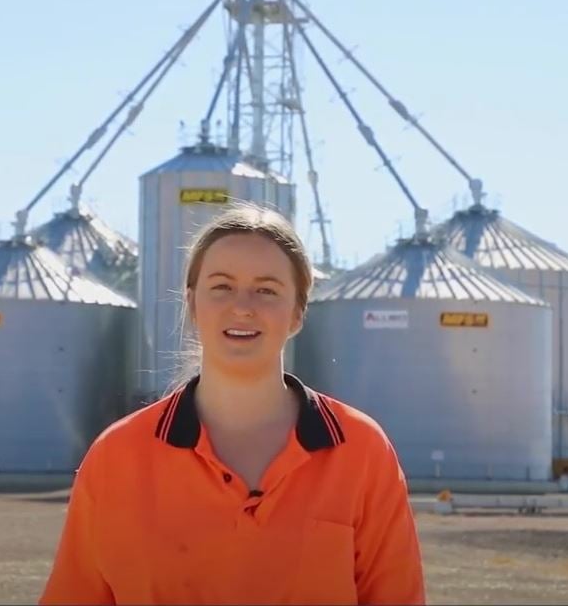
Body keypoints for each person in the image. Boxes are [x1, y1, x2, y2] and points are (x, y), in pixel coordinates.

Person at [40, 203, 425, 605]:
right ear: (191, 304)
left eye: (267, 290)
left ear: (297, 313)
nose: (242, 306)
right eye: (222, 286)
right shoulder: (117, 457)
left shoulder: (361, 451)